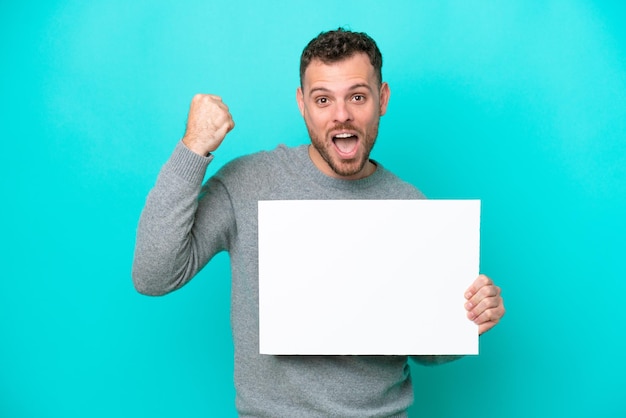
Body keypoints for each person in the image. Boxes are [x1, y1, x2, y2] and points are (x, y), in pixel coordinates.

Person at [132, 28, 505, 417]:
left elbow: (427, 348)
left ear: (383, 100)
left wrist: (468, 320)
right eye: (323, 99)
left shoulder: (408, 204)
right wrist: (193, 146)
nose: (341, 114)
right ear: (302, 104)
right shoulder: (248, 184)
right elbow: (153, 274)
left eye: (357, 97)